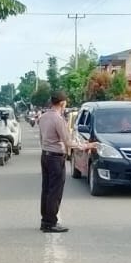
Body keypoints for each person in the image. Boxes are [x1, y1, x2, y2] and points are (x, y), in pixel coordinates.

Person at [38, 90, 93, 233]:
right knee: (55, 191)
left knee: (46, 189)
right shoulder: (58, 119)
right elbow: (68, 141)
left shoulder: (43, 117)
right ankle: (51, 222)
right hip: (56, 158)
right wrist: (85, 146)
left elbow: (41, 138)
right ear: (62, 103)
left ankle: (45, 220)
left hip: (45, 155)